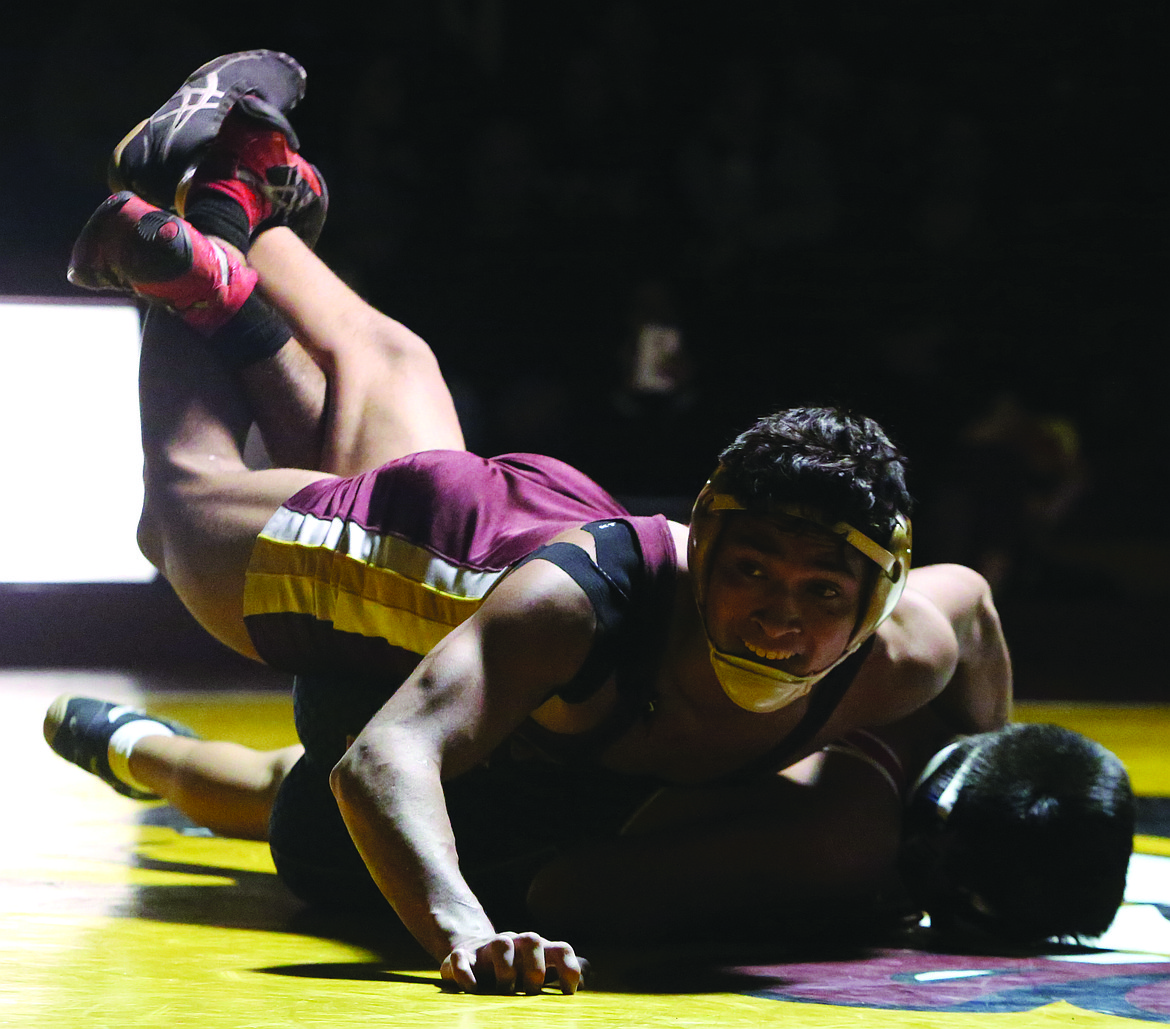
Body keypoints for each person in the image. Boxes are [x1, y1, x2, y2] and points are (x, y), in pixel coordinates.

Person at [44, 50, 1081, 994]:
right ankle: (173, 238)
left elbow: (977, 607)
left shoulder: (908, 645)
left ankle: (232, 201)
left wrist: (983, 777)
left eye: (819, 594)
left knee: (389, 365)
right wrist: (461, 930)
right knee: (179, 510)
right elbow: (385, 760)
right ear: (703, 541)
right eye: (753, 572)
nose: (777, 618)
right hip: (445, 558)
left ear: (876, 606)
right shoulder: (583, 616)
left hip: (537, 519)